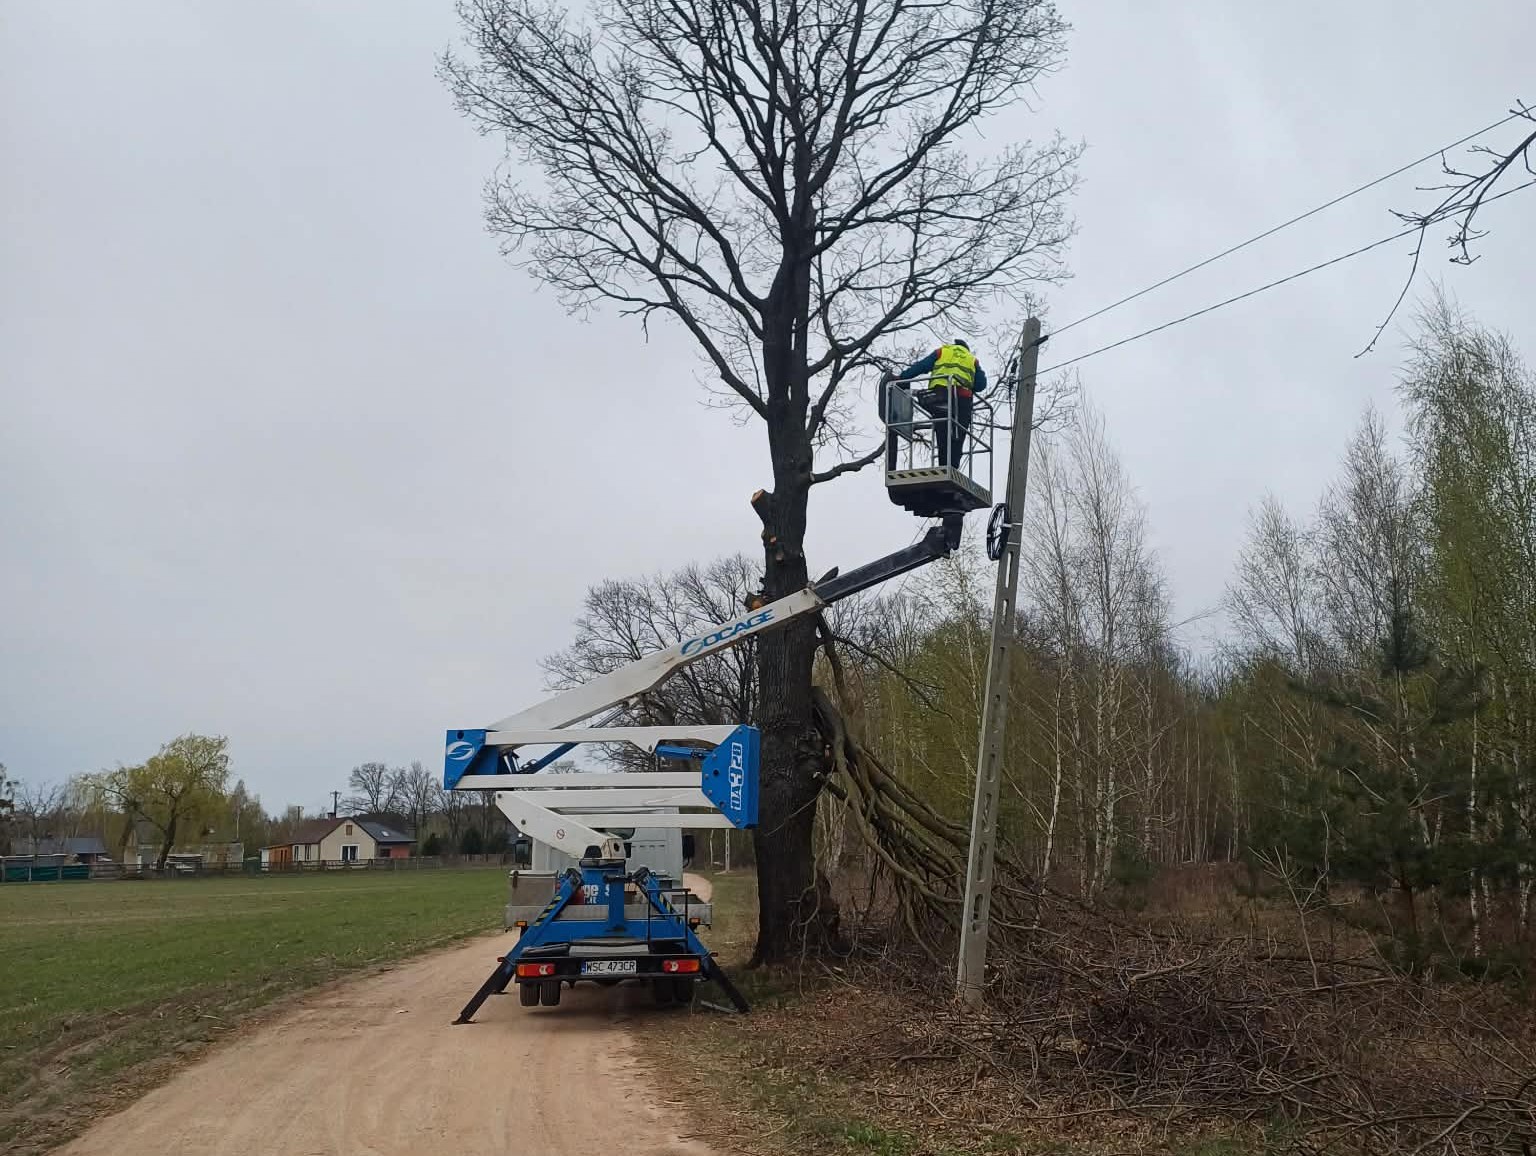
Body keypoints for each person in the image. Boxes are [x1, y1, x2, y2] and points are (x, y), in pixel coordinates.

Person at [885, 340, 988, 470]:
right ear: (966, 349)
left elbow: (922, 366)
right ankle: (952, 469)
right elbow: (981, 385)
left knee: (942, 431)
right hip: (962, 399)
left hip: (940, 397)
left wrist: (901, 378)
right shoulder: (972, 359)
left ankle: (944, 467)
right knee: (958, 435)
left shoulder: (943, 351)